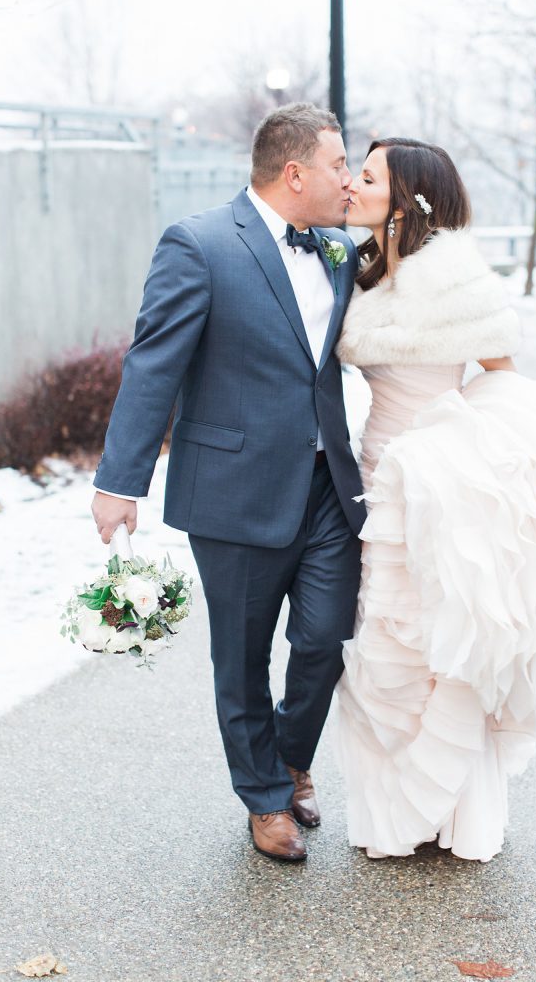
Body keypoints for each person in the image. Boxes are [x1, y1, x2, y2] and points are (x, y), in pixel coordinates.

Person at [335, 137, 536, 862]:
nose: (351, 183)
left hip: (442, 483)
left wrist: (473, 450)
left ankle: (452, 808)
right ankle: (403, 803)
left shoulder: (456, 278)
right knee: (389, 638)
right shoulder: (365, 270)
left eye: (367, 176)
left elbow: (502, 373)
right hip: (379, 471)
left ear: (405, 198)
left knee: (446, 636)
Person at [91, 103, 365, 863]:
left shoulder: (339, 248)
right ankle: (265, 798)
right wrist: (121, 480)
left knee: (325, 637)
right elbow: (154, 364)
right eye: (339, 164)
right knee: (241, 653)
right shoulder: (201, 244)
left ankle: (289, 757)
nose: (347, 178)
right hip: (234, 488)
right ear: (295, 172)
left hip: (326, 486)